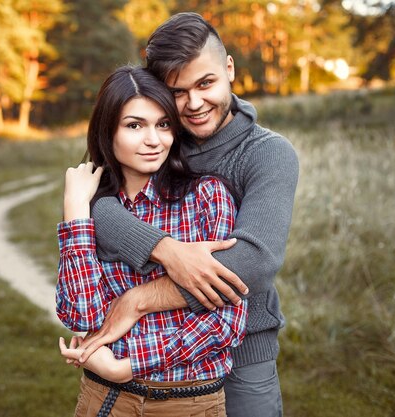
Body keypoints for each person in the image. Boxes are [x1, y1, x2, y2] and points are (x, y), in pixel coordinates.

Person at [79, 12, 300, 417]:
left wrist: (140, 300)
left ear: (229, 68)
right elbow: (100, 203)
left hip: (244, 346)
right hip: (157, 345)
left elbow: (252, 261)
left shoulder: (267, 152)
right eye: (177, 91)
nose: (194, 104)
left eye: (206, 83)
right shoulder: (162, 139)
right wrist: (166, 249)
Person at [56, 65, 247, 416]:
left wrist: (126, 365)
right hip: (104, 399)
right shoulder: (96, 209)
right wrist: (76, 211)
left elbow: (227, 319)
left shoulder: (206, 197)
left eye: (162, 124)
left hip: (189, 401)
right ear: (106, 130)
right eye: (134, 125)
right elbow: (82, 315)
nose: (154, 140)